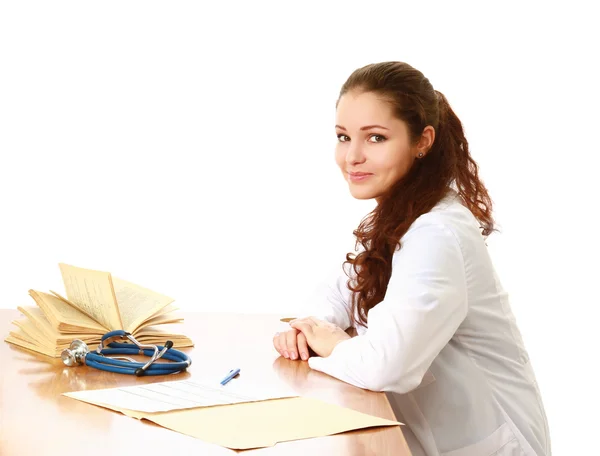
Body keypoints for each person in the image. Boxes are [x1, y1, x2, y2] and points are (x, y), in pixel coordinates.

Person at [272, 61, 551, 456]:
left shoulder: (436, 233)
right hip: (427, 434)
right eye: (343, 136)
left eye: (375, 138)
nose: (351, 156)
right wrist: (313, 328)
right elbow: (337, 293)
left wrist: (333, 344)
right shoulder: (401, 214)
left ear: (422, 141)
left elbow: (387, 366)